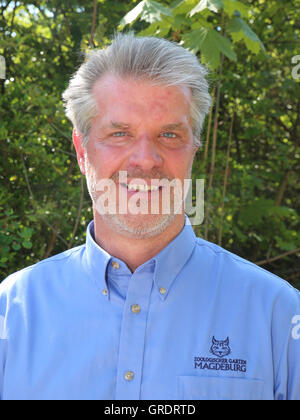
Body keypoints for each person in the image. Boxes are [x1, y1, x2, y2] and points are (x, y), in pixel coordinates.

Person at [0, 33, 299, 401]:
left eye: (169, 134)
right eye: (120, 133)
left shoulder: (279, 316)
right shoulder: (10, 314)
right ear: (81, 151)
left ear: (194, 149)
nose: (145, 159)